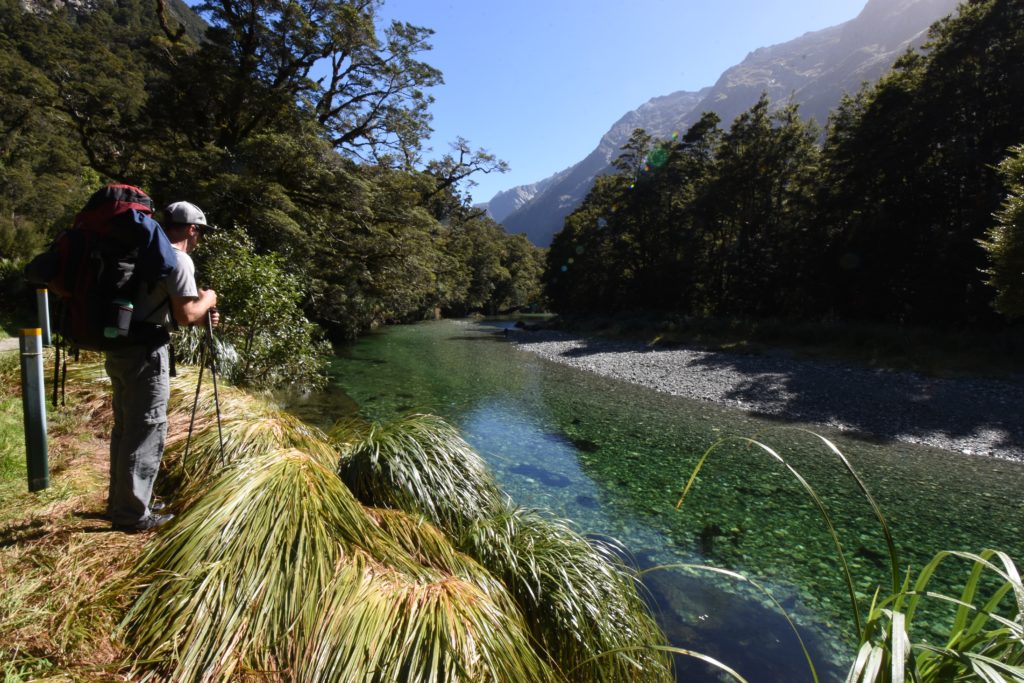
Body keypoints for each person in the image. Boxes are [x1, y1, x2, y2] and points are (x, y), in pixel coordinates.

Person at [105, 200, 219, 532]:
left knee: (125, 428)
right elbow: (186, 317)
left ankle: (123, 502)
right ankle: (133, 515)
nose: (200, 239)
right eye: (201, 232)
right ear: (193, 229)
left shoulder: (144, 252)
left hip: (121, 347)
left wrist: (198, 306)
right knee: (147, 429)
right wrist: (209, 300)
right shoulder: (179, 259)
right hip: (147, 352)